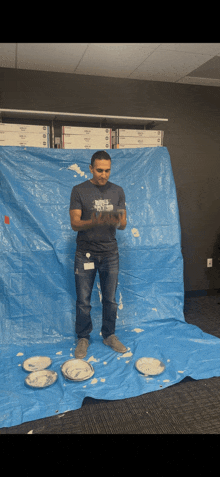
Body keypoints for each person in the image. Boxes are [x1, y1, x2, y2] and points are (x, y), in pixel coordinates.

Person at [69, 150, 128, 359]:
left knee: (110, 299)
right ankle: (83, 338)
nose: (104, 174)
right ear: (91, 169)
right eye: (100, 170)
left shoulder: (118, 191)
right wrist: (95, 220)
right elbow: (75, 223)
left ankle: (109, 334)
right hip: (85, 253)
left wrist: (117, 219)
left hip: (110, 253)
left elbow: (123, 225)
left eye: (108, 170)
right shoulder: (79, 190)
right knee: (83, 300)